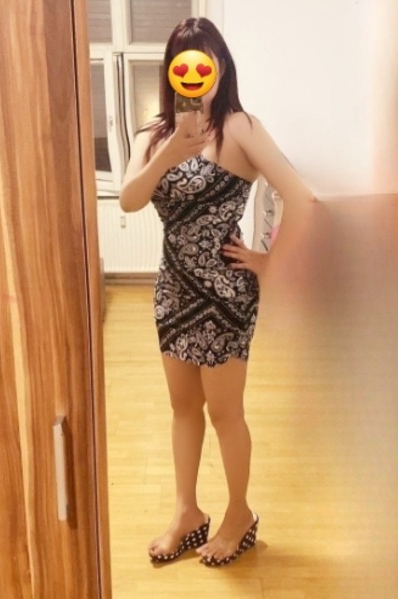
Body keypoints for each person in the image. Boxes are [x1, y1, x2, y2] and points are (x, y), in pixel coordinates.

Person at [120, 17, 316, 567]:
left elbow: (302, 199)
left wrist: (270, 263)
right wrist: (169, 153)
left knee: (225, 413)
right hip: (173, 290)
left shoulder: (240, 128)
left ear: (221, 67)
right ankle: (187, 512)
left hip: (225, 296)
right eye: (182, 65)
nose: (194, 76)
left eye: (205, 62)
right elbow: (130, 200)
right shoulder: (152, 135)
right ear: (171, 73)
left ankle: (239, 514)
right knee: (182, 408)